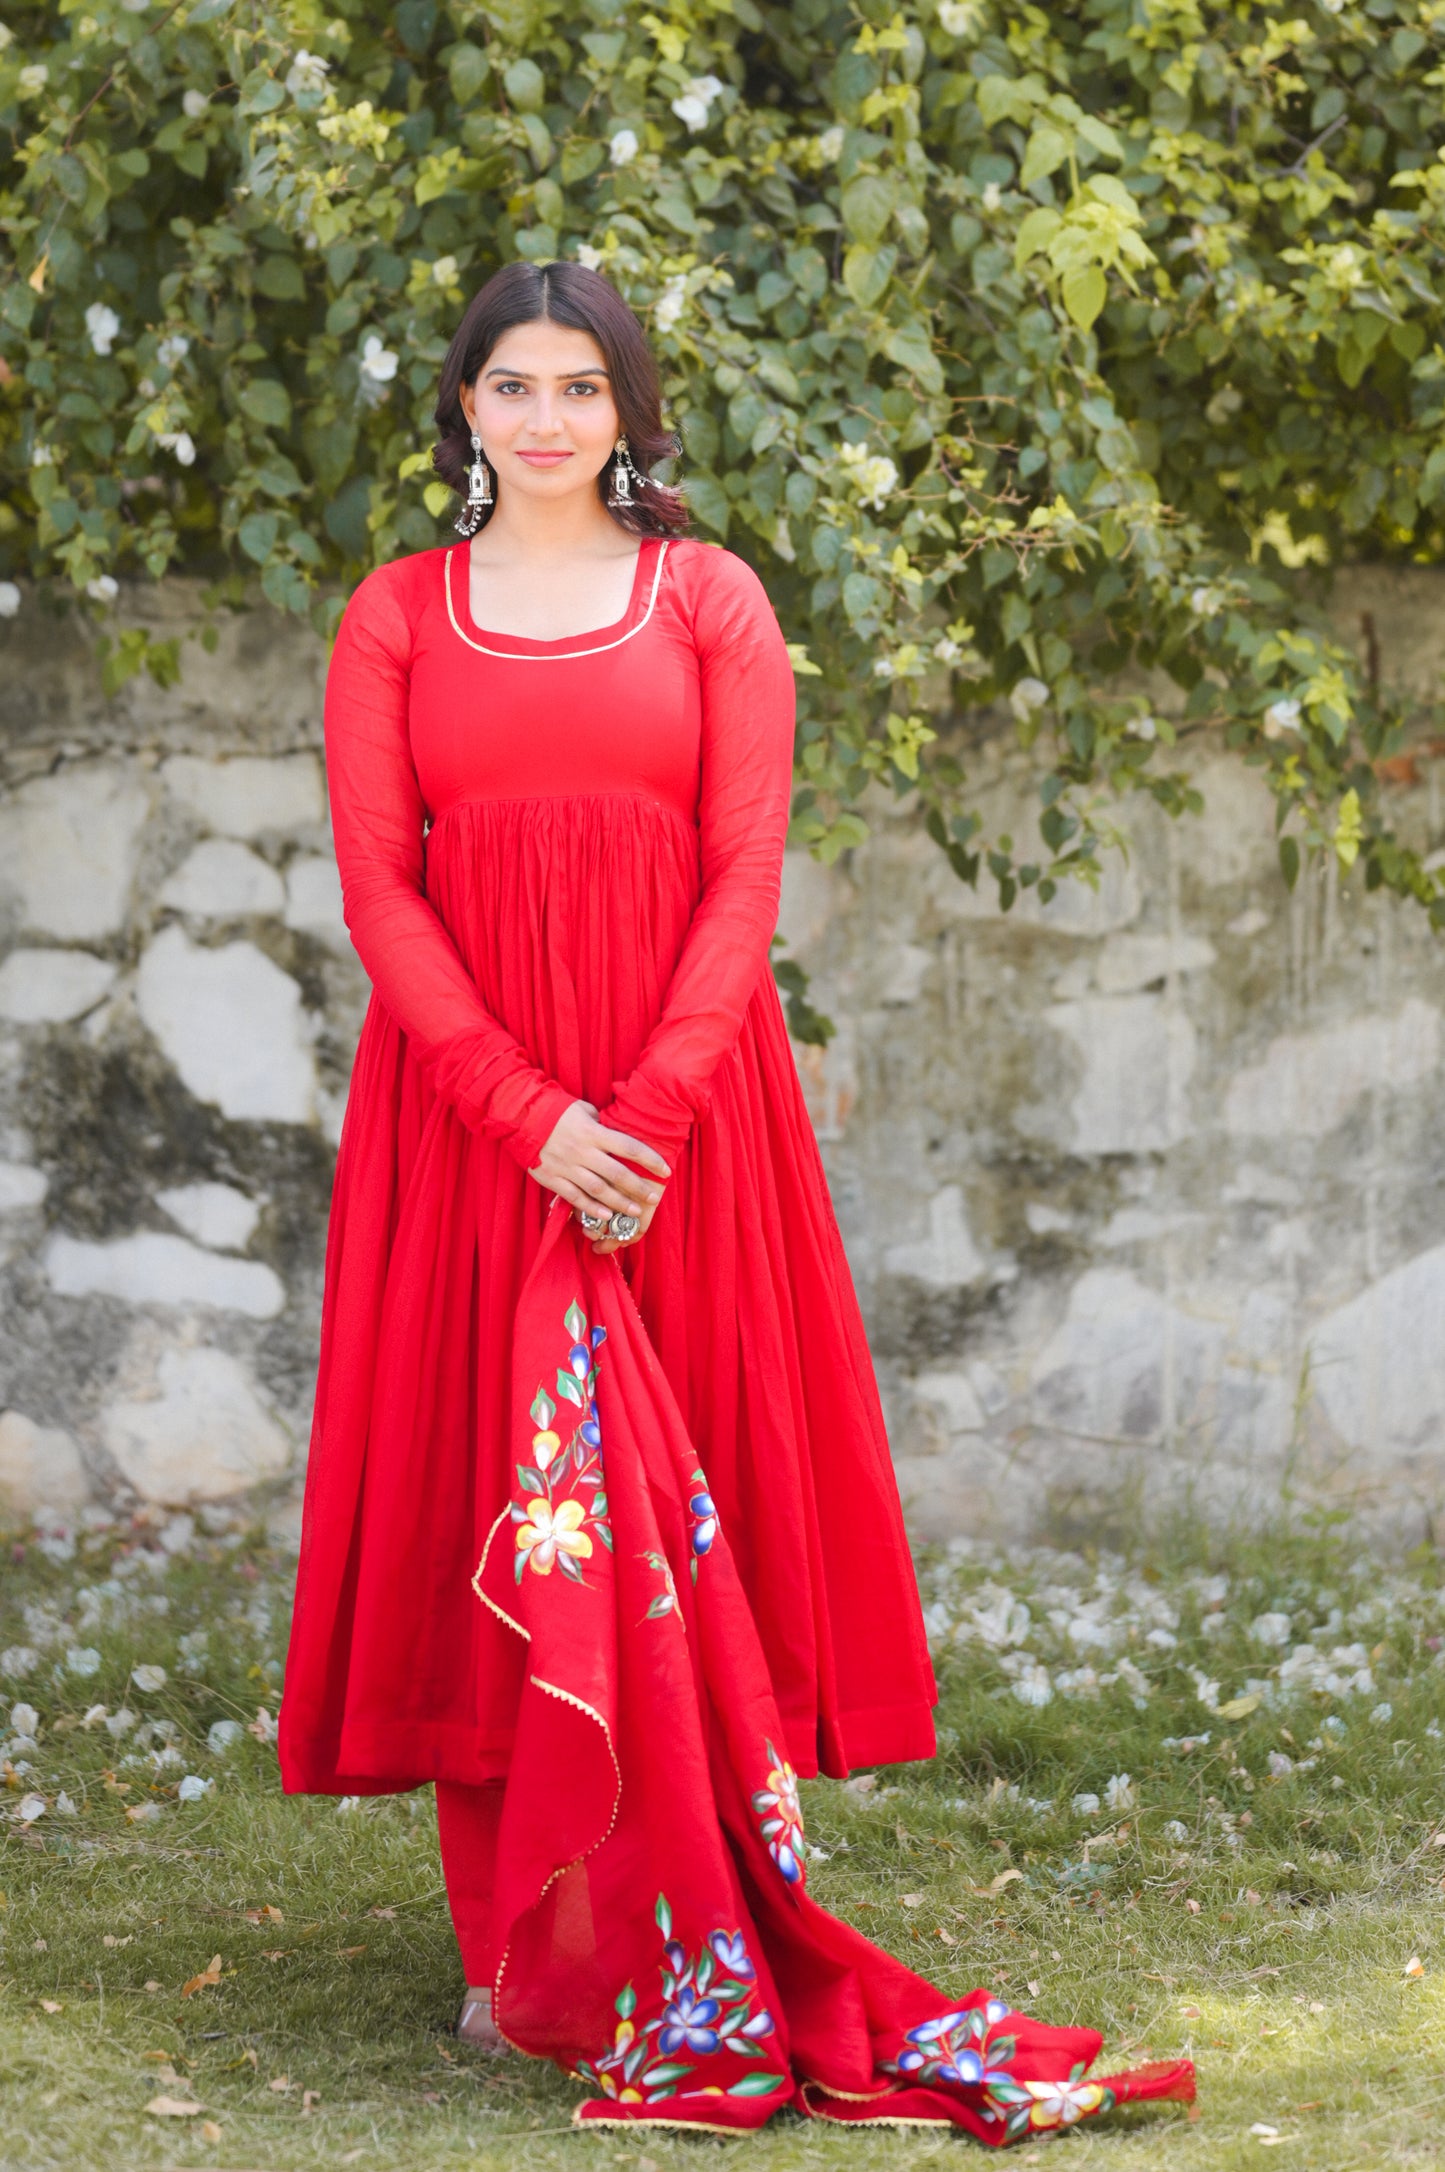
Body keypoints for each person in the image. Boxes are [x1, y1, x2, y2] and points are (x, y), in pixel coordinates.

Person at [278, 260, 1192, 2139]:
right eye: (511, 387)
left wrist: (648, 1114)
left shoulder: (713, 602)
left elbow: (744, 869)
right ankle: (513, 1951)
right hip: (474, 1129)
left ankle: (699, 1915)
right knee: (500, 1500)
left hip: (683, 1131)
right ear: (463, 408)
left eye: (579, 387)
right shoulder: (391, 619)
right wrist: (529, 1118)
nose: (544, 419)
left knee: (685, 1510)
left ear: (628, 410)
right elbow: (383, 899)